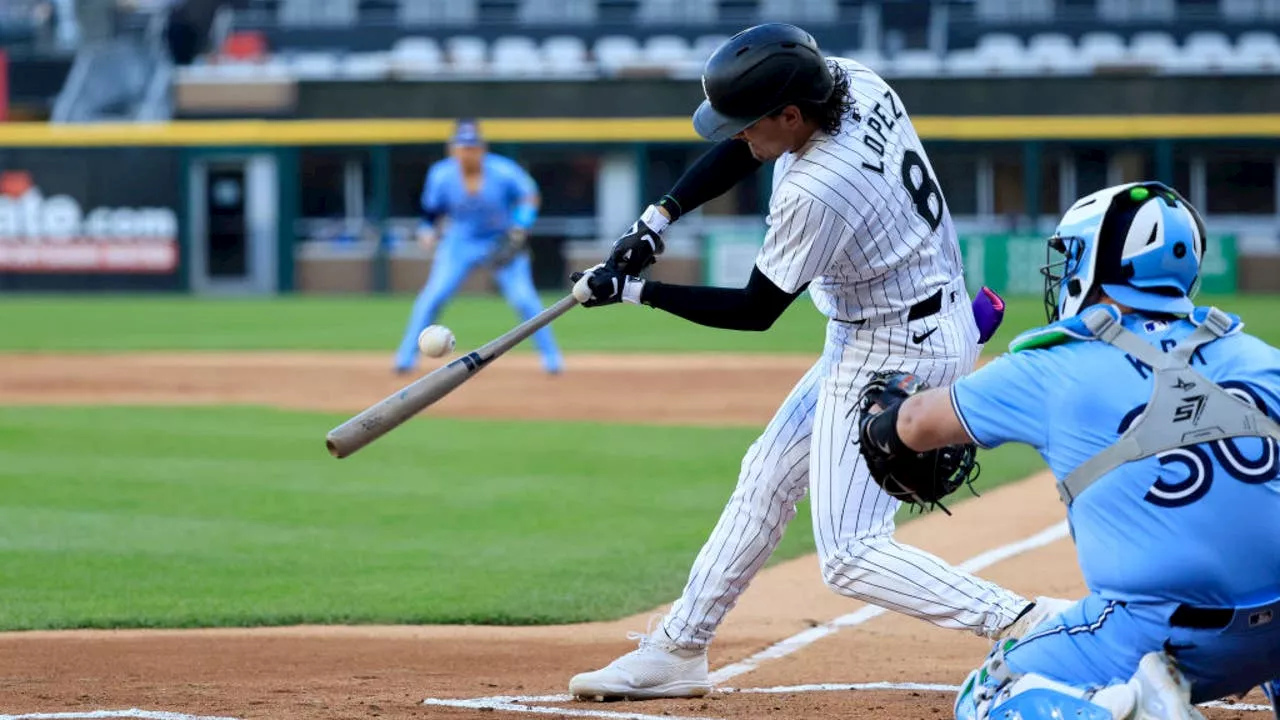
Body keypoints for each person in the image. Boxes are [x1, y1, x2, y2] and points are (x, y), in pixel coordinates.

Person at [566, 23, 1067, 701]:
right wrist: (659, 217)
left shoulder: (819, 187)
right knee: (766, 474)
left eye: (749, 123)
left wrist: (632, 290)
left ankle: (1030, 623)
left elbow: (755, 309)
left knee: (853, 553)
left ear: (790, 113)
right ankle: (680, 648)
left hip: (897, 350)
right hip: (899, 320)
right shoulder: (849, 79)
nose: (739, 136)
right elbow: (748, 149)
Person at [855, 180, 1280, 720]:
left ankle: (1137, 710)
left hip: (1162, 633)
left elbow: (912, 425)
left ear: (1097, 262)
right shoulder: (1257, 354)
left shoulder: (1053, 364)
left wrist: (881, 416)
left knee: (987, 694)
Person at [393, 119, 563, 375]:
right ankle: (405, 357)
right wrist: (427, 230)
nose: (467, 152)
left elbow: (529, 196)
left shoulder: (503, 170)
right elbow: (432, 211)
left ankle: (551, 358)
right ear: (452, 149)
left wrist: (520, 225)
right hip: (459, 241)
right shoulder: (442, 174)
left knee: (525, 299)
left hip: (501, 240)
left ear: (482, 148)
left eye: (472, 146)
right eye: (462, 147)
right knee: (433, 296)